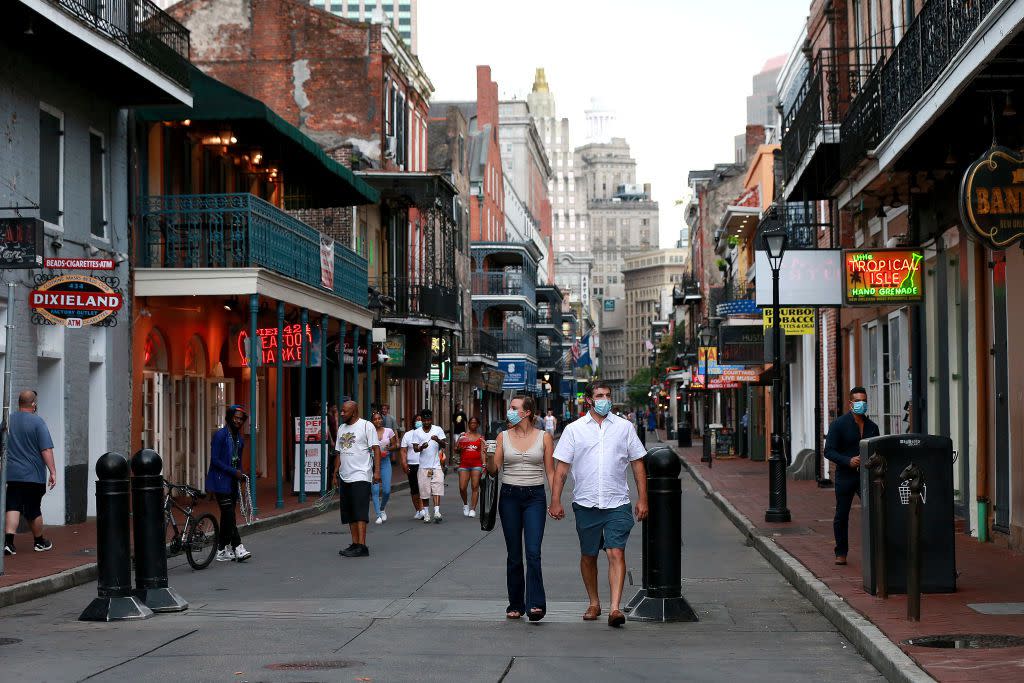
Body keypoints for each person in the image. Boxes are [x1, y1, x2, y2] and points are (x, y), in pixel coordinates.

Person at [549, 381, 648, 628]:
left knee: (616, 552)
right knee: (589, 555)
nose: (604, 399)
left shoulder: (624, 427)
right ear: (589, 400)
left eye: (607, 395)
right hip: (586, 502)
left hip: (618, 502)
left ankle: (615, 608)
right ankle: (594, 602)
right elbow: (561, 469)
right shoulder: (574, 430)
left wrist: (643, 498)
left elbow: (637, 464)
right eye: (599, 395)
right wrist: (555, 500)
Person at [491, 395, 554, 621]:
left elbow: (551, 471)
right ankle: (516, 603)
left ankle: (536, 604)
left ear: (527, 412)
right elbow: (494, 469)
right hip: (509, 497)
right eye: (510, 407)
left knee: (533, 552)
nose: (510, 411)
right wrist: (487, 455)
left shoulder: (544, 437)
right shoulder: (502, 436)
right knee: (515, 554)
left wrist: (555, 499)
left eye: (514, 408)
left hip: (534, 497)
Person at [825, 386, 880, 566]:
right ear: (850, 403)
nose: (861, 404)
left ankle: (877, 550)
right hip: (846, 476)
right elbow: (829, 451)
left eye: (864, 401)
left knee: (874, 511)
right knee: (842, 514)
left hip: (867, 476)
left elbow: (877, 451)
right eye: (857, 401)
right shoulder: (839, 425)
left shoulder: (873, 427)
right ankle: (841, 552)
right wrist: (848, 461)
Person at [4, 390, 56, 556]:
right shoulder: (38, 422)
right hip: (33, 475)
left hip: (12, 475)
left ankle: (9, 543)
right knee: (33, 509)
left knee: (12, 506)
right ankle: (39, 542)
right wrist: (53, 471)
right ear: (33, 404)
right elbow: (46, 449)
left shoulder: (8, 420)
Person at [333, 401, 382, 558]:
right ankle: (354, 543)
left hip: (361, 474)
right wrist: (335, 472)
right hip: (345, 475)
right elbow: (339, 452)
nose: (341, 414)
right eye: (341, 411)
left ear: (353, 412)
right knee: (349, 512)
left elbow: (376, 449)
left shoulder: (367, 426)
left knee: (360, 511)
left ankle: (362, 546)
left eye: (344, 411)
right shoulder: (341, 428)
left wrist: (377, 472)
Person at [206, 404, 253, 562]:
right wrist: (234, 472)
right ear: (229, 417)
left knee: (227, 517)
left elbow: (238, 461)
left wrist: (240, 478)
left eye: (241, 419)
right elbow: (215, 460)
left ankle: (220, 550)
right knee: (229, 514)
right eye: (235, 417)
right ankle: (238, 546)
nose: (238, 421)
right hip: (220, 481)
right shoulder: (220, 435)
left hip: (232, 481)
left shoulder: (239, 438)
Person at [407, 408, 447, 523]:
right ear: (422, 420)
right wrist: (421, 447)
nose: (426, 422)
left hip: (436, 465)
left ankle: (437, 511)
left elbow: (444, 444)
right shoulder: (417, 432)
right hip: (423, 466)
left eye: (428, 420)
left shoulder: (437, 429)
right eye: (424, 420)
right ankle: (426, 513)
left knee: (437, 488)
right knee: (424, 491)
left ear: (431, 419)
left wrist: (438, 440)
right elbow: (415, 449)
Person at [371, 411, 398, 525]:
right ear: (372, 422)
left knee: (386, 490)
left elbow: (395, 445)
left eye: (379, 418)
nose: (378, 421)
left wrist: (389, 449)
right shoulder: (369, 433)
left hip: (385, 462)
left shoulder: (389, 431)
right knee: (375, 490)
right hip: (372, 463)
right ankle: (378, 515)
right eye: (375, 419)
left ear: (382, 420)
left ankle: (382, 508)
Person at [456, 416, 485, 517]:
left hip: (476, 465)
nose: (473, 424)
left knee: (475, 486)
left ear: (478, 425)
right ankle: (465, 504)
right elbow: (456, 449)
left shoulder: (481, 438)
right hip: (464, 464)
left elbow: (482, 452)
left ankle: (473, 509)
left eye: (475, 423)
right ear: (468, 424)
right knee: (462, 487)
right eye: (471, 423)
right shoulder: (463, 436)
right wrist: (459, 442)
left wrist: (484, 464)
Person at [400, 414, 426, 519]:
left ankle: (423, 509)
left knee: (422, 488)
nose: (419, 422)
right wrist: (404, 463)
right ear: (414, 422)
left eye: (421, 420)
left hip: (424, 464)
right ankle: (418, 510)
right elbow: (403, 450)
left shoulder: (426, 434)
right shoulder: (408, 435)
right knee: (414, 489)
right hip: (412, 464)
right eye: (417, 420)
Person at [327, 403, 340, 489]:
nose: (335, 408)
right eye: (334, 406)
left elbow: (337, 428)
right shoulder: (327, 416)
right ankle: (329, 482)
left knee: (336, 458)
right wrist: (331, 440)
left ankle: (334, 478)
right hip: (330, 439)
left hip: (335, 438)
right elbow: (327, 428)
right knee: (331, 459)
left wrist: (336, 418)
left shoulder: (335, 415)